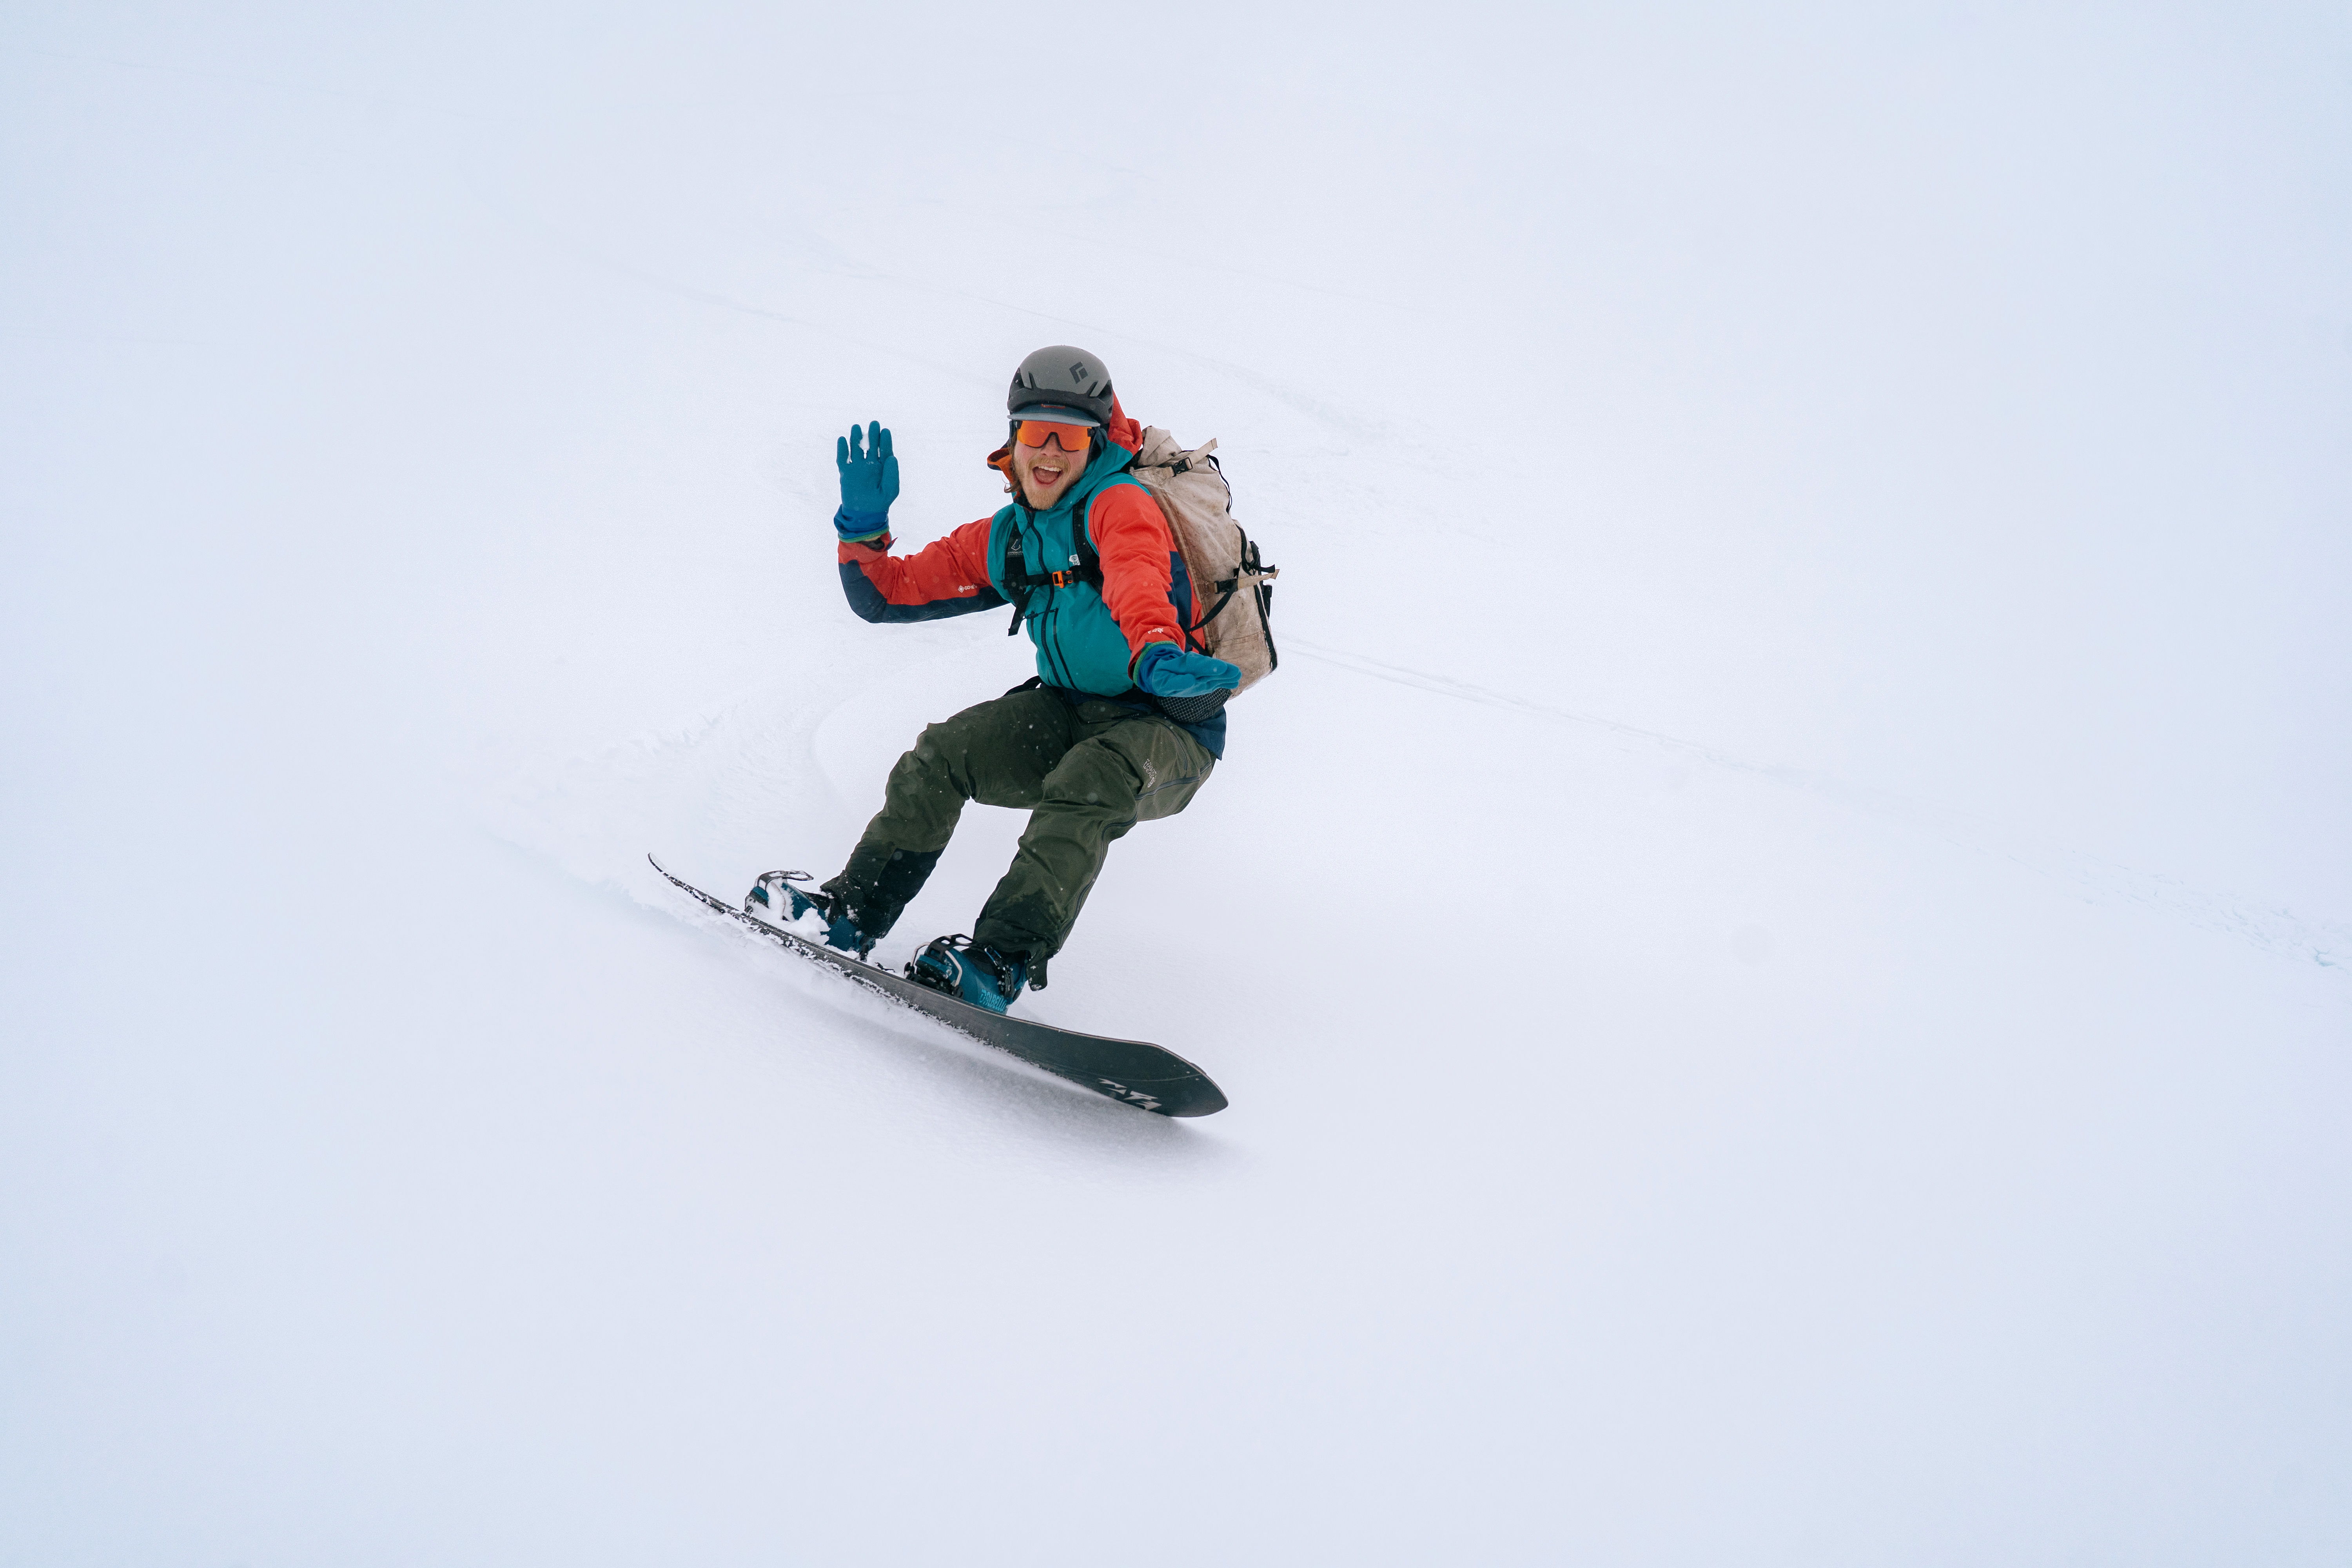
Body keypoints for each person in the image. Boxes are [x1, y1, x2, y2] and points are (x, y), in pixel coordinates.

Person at [751, 346, 1240, 1013]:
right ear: (1012, 438)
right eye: (1034, 432)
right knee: (944, 754)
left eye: (1067, 437)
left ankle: (999, 961)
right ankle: (851, 913)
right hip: (1069, 711)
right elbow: (884, 596)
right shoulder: (1008, 537)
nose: (1048, 452)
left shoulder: (1120, 504)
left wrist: (1155, 649)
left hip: (1168, 730)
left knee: (1088, 778)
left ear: (1096, 443)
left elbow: (1137, 578)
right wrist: (864, 530)